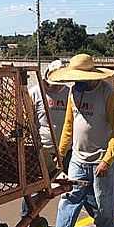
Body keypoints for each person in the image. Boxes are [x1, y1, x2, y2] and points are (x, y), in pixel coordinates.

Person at [44, 54, 114, 227]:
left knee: (103, 203)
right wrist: (60, 153)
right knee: (68, 199)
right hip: (78, 160)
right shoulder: (73, 93)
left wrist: (108, 159)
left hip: (101, 160)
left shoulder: (109, 94)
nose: (77, 82)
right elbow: (69, 127)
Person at [22, 60, 69, 216]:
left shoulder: (69, 93)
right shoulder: (35, 92)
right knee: (37, 186)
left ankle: (100, 218)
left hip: (66, 148)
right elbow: (29, 120)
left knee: (75, 185)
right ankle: (29, 216)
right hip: (43, 148)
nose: (54, 87)